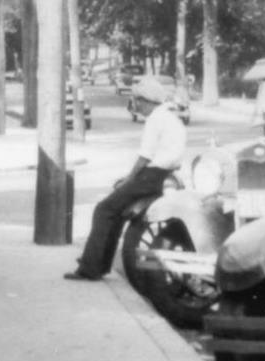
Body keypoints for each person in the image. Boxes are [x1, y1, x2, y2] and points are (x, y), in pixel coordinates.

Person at [64, 86, 190, 281]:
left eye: (137, 101)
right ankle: (100, 265)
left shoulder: (155, 120)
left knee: (103, 210)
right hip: (165, 175)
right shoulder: (172, 118)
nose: (135, 105)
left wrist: (129, 179)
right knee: (117, 213)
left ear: (147, 101)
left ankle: (91, 268)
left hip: (151, 176)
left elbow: (145, 157)